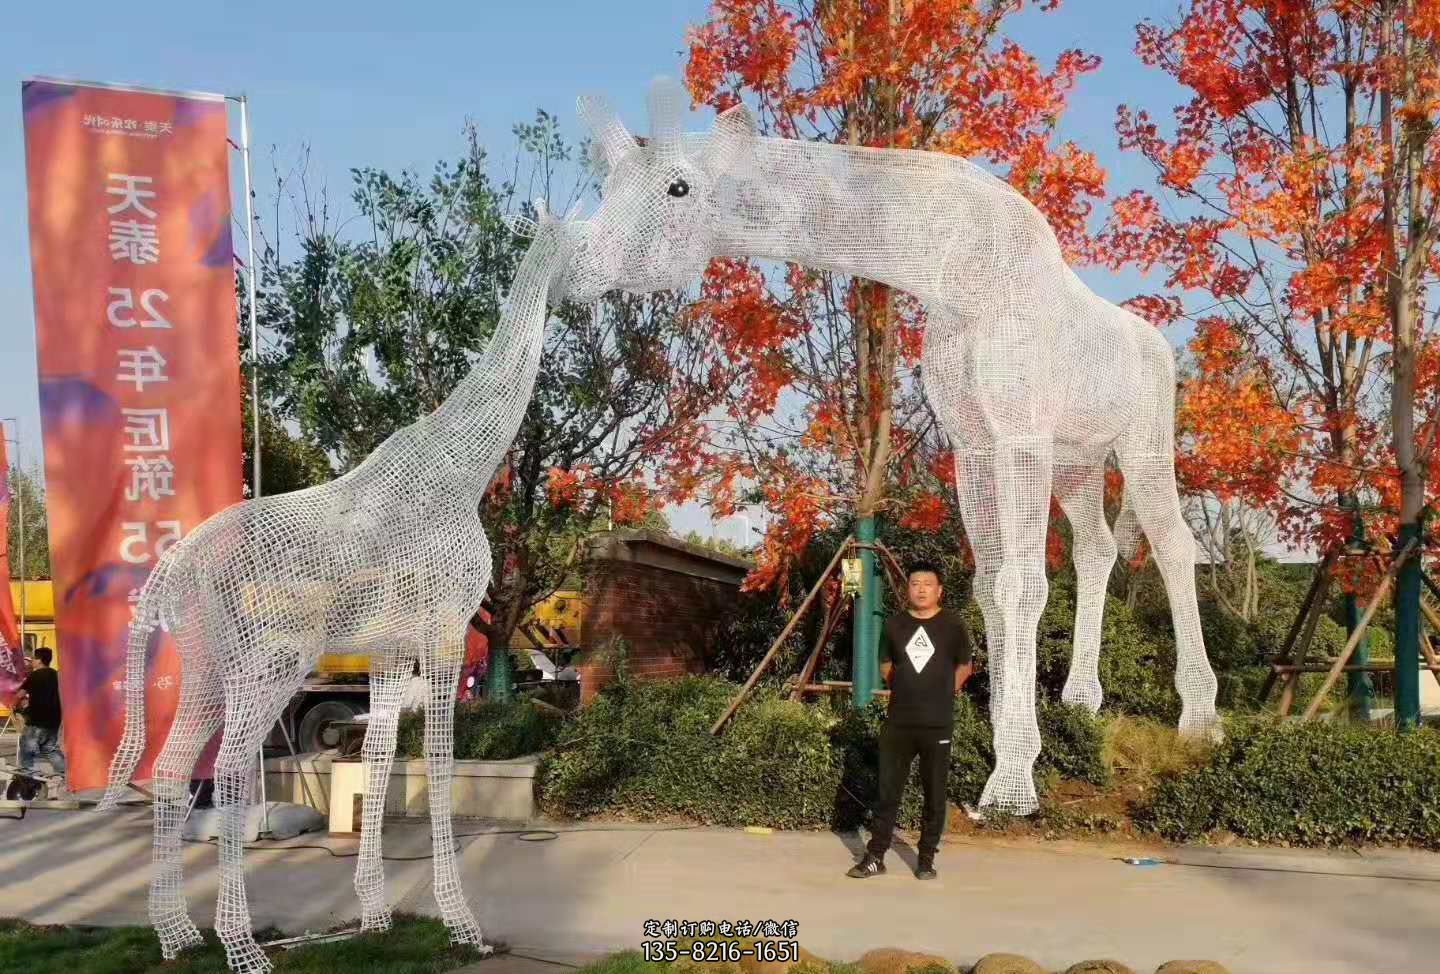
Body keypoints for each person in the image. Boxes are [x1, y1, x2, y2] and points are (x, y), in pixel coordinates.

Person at [847, 560, 973, 881]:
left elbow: (964, 667)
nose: (920, 589)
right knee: (887, 792)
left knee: (934, 794)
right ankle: (875, 856)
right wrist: (906, 691)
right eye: (915, 583)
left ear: (939, 590)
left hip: (937, 725)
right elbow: (886, 665)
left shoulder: (953, 625)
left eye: (927, 584)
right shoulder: (894, 625)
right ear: (908, 589)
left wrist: (943, 692)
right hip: (898, 724)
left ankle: (926, 858)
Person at [16, 648, 68, 791]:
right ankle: (65, 773)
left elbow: (20, 694)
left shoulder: (34, 676)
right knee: (49, 748)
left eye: (33, 658)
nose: (31, 661)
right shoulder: (56, 675)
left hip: (36, 721)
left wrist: (13, 705)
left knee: (27, 748)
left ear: (39, 660)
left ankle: (26, 778)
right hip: (53, 721)